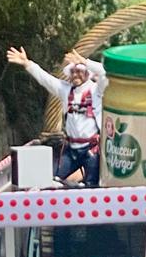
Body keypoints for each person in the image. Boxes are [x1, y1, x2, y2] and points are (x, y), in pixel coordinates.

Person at [6, 46, 107, 186]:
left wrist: (86, 62)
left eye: (79, 71)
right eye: (73, 72)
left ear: (87, 74)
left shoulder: (97, 91)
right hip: (71, 148)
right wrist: (27, 63)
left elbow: (105, 72)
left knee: (93, 185)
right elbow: (45, 79)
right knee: (52, 180)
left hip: (91, 149)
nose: (76, 74)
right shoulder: (66, 90)